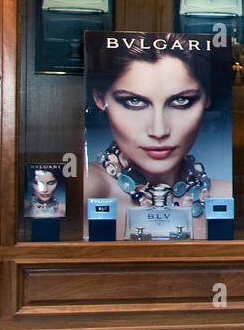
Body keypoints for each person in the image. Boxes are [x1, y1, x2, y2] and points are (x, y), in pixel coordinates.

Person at [84, 33, 232, 234]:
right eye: (134, 101)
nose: (159, 131)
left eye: (181, 101)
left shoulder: (228, 194)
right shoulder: (91, 189)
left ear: (207, 99)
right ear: (100, 99)